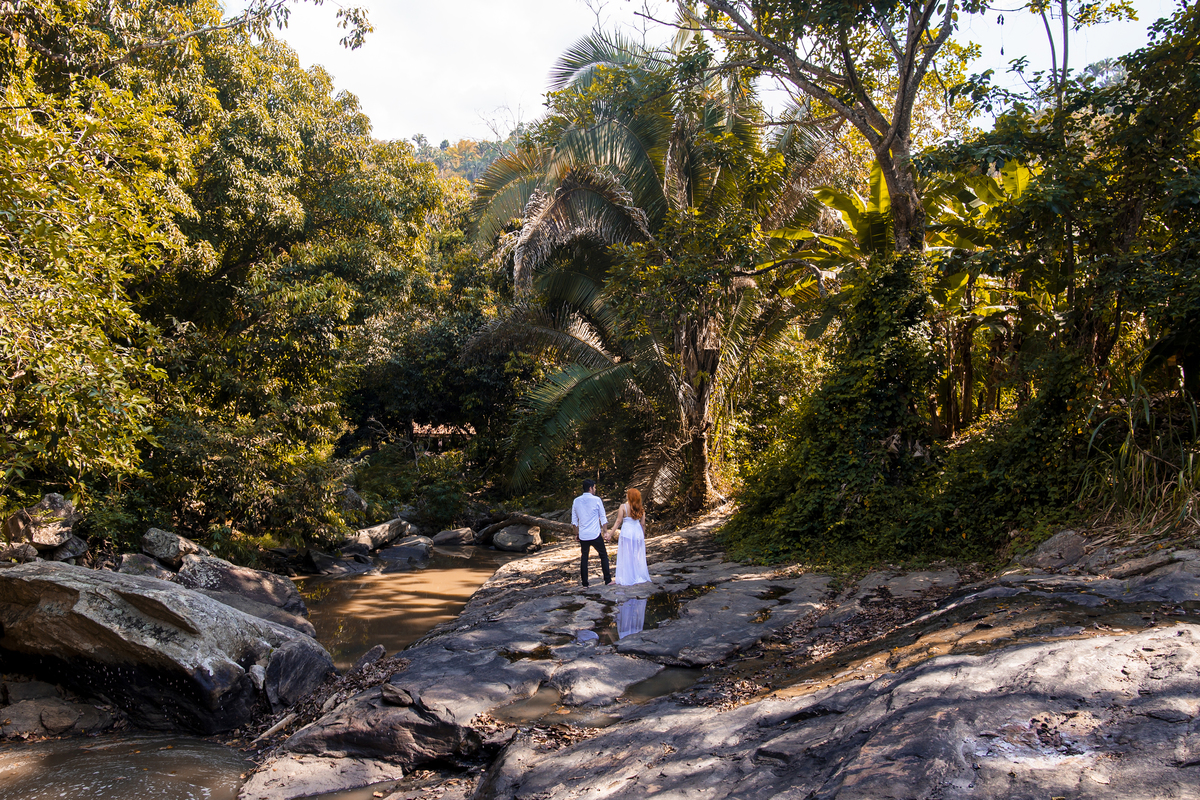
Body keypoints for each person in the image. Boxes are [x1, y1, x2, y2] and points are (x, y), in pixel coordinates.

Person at [571, 479, 611, 587]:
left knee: (584, 557)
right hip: (595, 534)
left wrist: (577, 534)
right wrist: (605, 532)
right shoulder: (597, 500)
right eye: (594, 487)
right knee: (603, 555)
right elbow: (603, 518)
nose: (595, 489)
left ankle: (585, 583)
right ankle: (607, 580)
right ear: (590, 488)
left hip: (583, 535)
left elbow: (574, 521)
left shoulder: (576, 501)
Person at [608, 487, 651, 585]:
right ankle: (638, 574)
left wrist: (610, 534)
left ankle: (627, 576)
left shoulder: (623, 507)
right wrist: (642, 536)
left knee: (627, 555)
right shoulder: (641, 508)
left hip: (627, 532)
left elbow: (618, 521)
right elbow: (643, 524)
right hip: (637, 532)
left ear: (629, 496)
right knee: (636, 555)